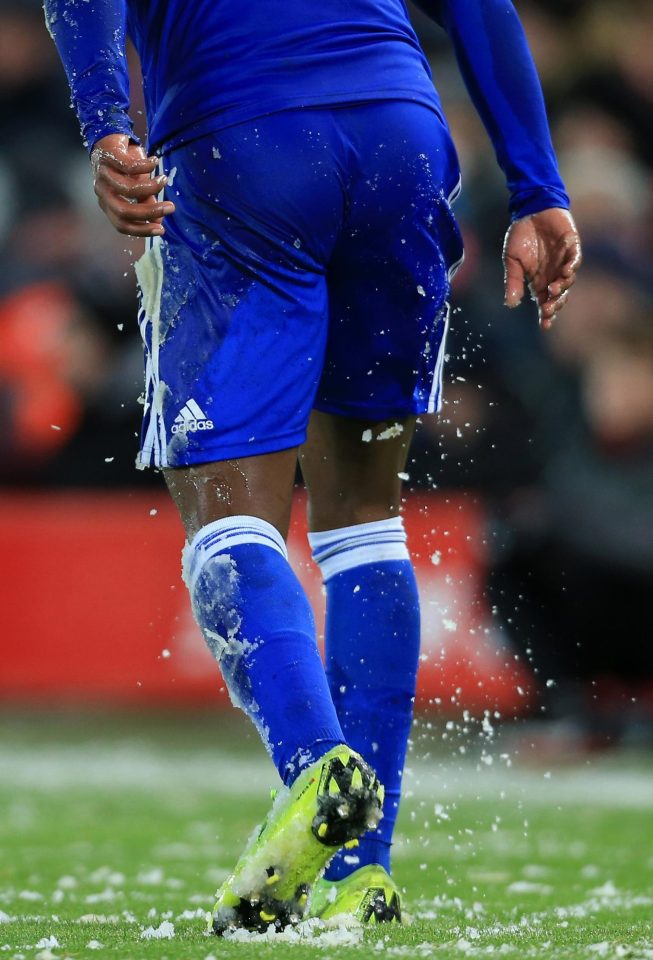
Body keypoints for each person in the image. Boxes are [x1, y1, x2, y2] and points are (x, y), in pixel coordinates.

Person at [44, 0, 581, 934]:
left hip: (243, 141)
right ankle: (359, 874)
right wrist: (537, 186)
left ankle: (316, 765)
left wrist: (108, 130)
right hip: (400, 143)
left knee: (226, 512)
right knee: (364, 517)